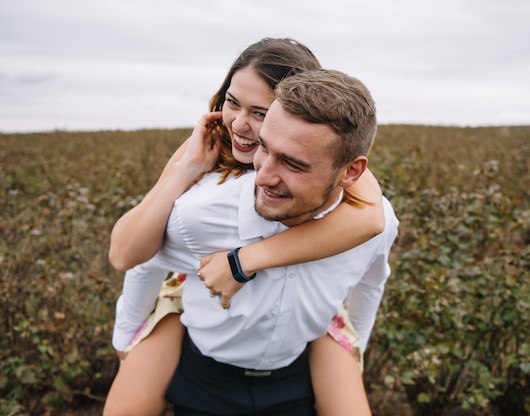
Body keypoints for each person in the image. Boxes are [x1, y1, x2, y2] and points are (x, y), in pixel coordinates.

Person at [103, 38, 387, 416]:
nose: (238, 123)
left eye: (260, 112)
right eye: (232, 102)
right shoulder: (206, 189)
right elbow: (134, 256)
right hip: (201, 341)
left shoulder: (349, 189)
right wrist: (184, 169)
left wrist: (243, 261)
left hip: (297, 350)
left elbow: (372, 220)